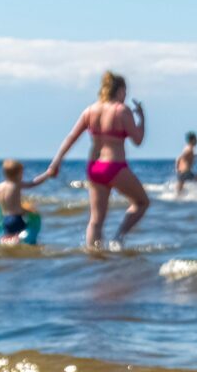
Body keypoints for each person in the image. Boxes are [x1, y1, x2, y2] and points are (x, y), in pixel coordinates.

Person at [42, 72, 149, 248]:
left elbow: (71, 138)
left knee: (96, 220)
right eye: (125, 91)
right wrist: (142, 119)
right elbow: (138, 140)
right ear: (120, 90)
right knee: (142, 202)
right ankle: (118, 238)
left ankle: (93, 255)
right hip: (114, 166)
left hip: (94, 168)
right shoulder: (121, 111)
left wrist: (55, 163)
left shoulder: (90, 111)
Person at [0, 158, 48, 241]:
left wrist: (2, 201)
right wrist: (47, 174)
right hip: (16, 218)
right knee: (19, 238)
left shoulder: (0, 186)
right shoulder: (16, 184)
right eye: (22, 173)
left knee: (8, 238)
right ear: (19, 174)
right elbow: (33, 183)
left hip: (5, 219)